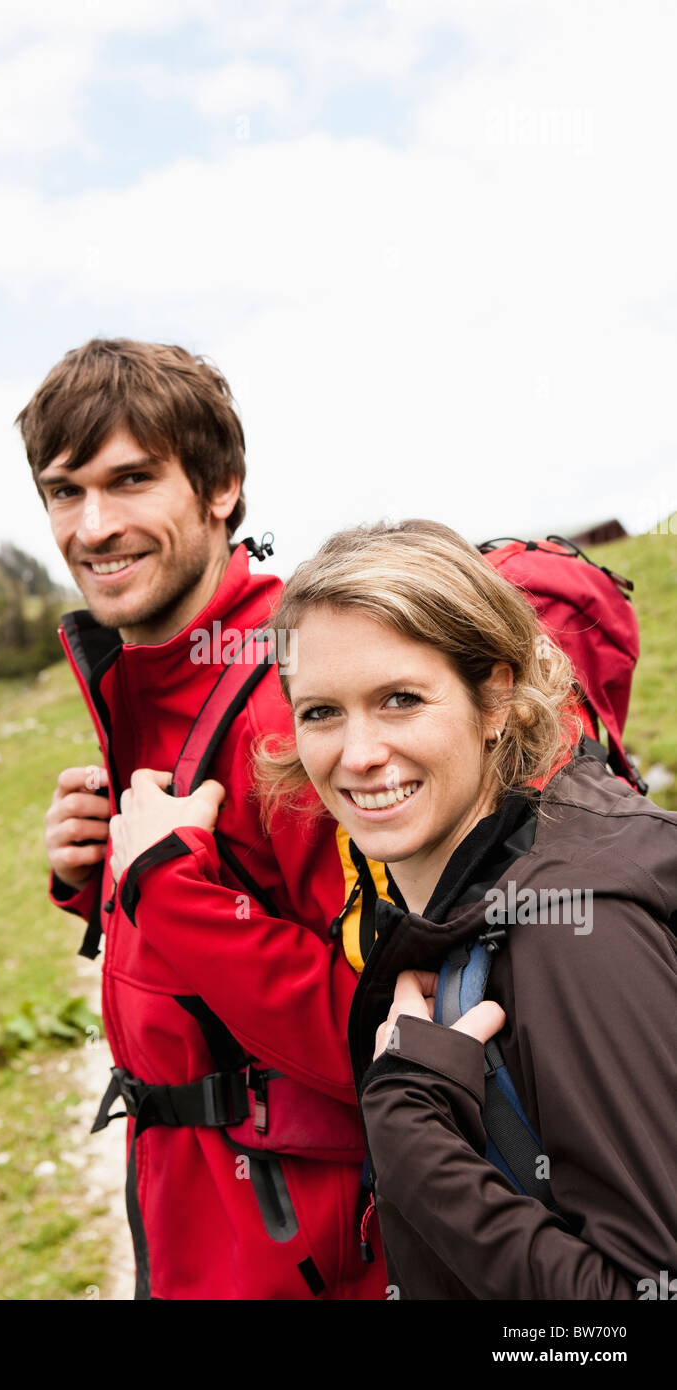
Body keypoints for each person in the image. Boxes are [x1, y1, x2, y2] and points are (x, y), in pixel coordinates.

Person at [15, 338, 386, 1301]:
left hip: (305, 1250)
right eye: (65, 491)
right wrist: (94, 877)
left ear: (221, 486)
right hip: (191, 1219)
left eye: (131, 480)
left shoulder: (292, 704)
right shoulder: (156, 672)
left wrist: (165, 890)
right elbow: (219, 905)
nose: (93, 526)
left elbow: (389, 1039)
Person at [246, 517, 677, 1299]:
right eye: (320, 712)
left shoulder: (573, 932)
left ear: (496, 696)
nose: (359, 753)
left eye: (401, 699)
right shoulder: (476, 890)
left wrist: (413, 1141)